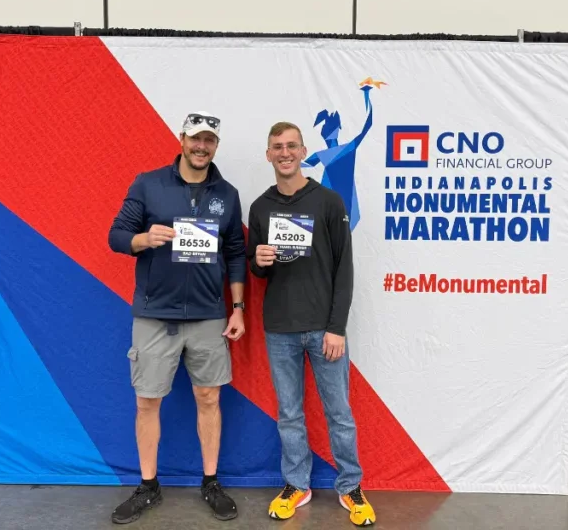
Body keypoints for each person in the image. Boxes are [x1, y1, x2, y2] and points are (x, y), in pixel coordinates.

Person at [107, 111, 247, 525]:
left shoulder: (227, 193)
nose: (201, 146)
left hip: (208, 316)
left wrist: (237, 308)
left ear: (215, 146)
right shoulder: (148, 183)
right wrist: (143, 239)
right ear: (181, 138)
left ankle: (210, 481)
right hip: (155, 315)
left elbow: (236, 252)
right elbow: (116, 235)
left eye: (210, 140)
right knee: (147, 401)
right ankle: (148, 486)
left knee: (209, 397)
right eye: (195, 138)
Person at [246, 121, 377, 526]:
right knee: (289, 413)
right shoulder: (260, 206)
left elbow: (345, 268)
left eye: (291, 146)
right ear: (268, 155)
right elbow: (257, 267)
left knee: (338, 412)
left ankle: (350, 485)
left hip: (325, 330)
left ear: (304, 151)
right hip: (280, 328)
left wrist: (337, 327)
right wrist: (259, 262)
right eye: (276, 147)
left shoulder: (329, 201)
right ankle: (296, 484)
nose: (284, 153)